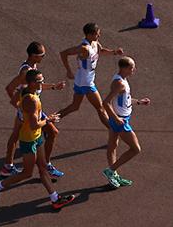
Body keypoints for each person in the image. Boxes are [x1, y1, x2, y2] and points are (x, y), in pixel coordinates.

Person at [0, 69, 75, 209]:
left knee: (43, 167)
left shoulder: (26, 90)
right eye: (40, 81)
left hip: (37, 137)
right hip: (29, 139)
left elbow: (16, 104)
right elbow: (34, 125)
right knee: (27, 173)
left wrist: (29, 115)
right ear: (32, 83)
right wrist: (49, 120)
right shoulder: (31, 100)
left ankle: (55, 199)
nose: (42, 82)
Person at [1, 42, 66, 178]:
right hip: (30, 110)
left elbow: (38, 86)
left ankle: (8, 166)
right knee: (53, 132)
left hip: (32, 108)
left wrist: (54, 86)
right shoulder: (26, 72)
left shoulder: (33, 67)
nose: (43, 57)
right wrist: (21, 106)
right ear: (33, 56)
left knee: (15, 136)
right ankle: (46, 165)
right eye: (42, 55)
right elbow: (9, 88)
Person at [57, 23, 124, 128]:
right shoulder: (84, 48)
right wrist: (68, 71)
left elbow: (100, 51)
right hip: (86, 82)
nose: (99, 36)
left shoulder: (95, 43)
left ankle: (51, 120)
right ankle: (113, 131)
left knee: (74, 106)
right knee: (101, 108)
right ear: (89, 35)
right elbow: (64, 53)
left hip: (82, 80)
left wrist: (114, 52)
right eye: (97, 34)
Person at [101, 57, 150, 188]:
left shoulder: (122, 80)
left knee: (112, 145)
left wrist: (138, 101)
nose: (134, 69)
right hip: (120, 120)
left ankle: (113, 175)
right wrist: (116, 118)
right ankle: (110, 171)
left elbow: (124, 99)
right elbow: (105, 102)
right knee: (135, 149)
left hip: (118, 118)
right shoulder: (120, 83)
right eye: (132, 67)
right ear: (124, 68)